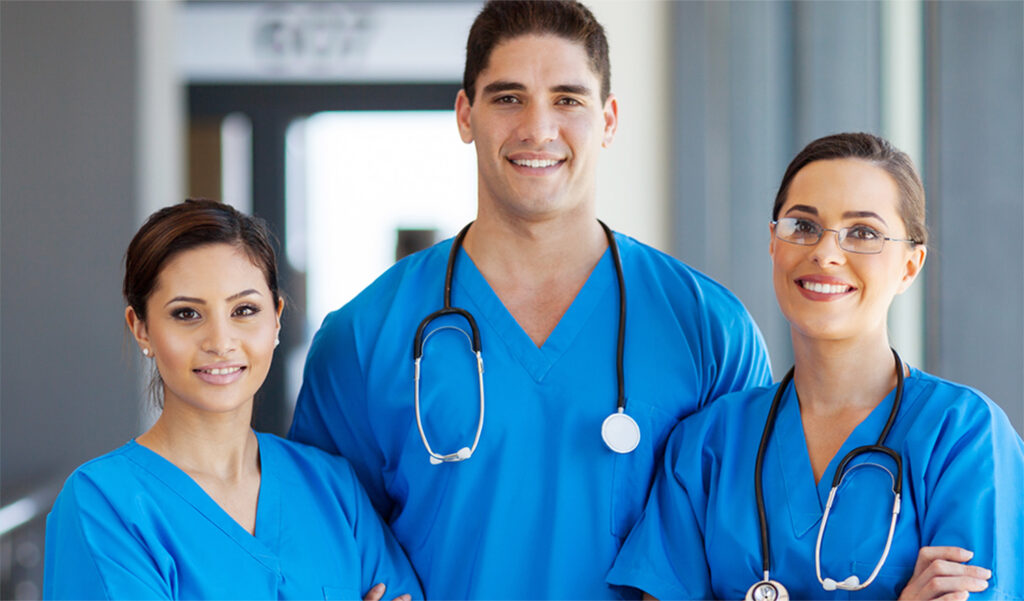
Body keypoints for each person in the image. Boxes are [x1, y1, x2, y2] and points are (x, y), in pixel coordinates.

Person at [288, 1, 771, 598]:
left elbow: (754, 548)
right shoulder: (363, 337)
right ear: (466, 115)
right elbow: (319, 543)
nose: (538, 129)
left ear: (609, 119)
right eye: (508, 97)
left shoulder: (708, 329)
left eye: (568, 99)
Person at [607, 133, 1024, 600]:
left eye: (863, 233)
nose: (825, 253)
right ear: (773, 242)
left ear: (910, 265)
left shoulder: (963, 435)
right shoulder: (708, 444)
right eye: (803, 226)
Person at [44, 200, 422, 600]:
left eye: (244, 310)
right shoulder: (104, 505)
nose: (221, 343)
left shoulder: (333, 489)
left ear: (275, 319)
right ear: (141, 329)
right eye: (187, 314)